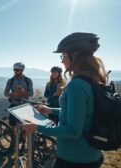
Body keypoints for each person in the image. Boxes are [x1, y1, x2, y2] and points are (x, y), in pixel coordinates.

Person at [23, 32, 105, 168]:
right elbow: (78, 112)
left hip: (73, 158)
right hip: (90, 154)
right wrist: (51, 110)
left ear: (75, 56)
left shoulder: (76, 85)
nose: (62, 61)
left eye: (64, 56)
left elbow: (72, 131)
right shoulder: (92, 79)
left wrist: (37, 127)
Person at [4, 62, 34, 128]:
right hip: (14, 104)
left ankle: (22, 138)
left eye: (17, 70)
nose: (15, 71)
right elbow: (5, 93)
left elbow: (31, 94)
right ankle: (14, 137)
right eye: (14, 70)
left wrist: (23, 92)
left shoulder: (28, 80)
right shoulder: (10, 80)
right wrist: (12, 94)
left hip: (25, 105)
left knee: (26, 125)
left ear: (22, 70)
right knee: (13, 125)